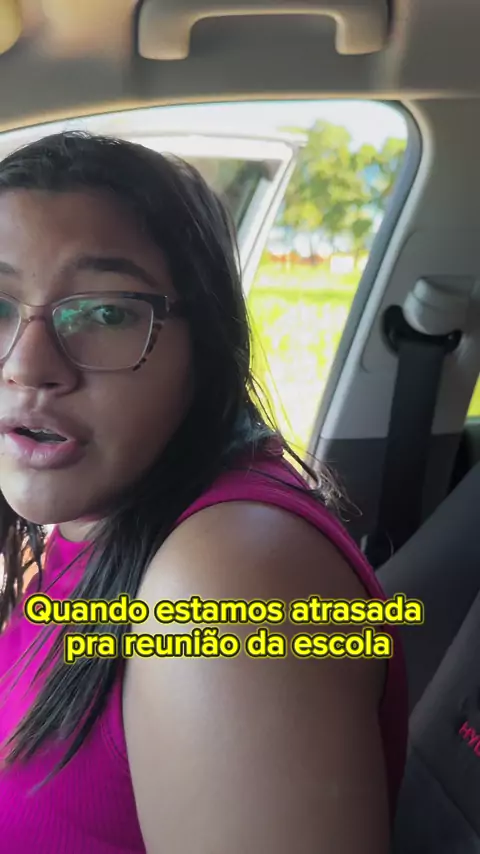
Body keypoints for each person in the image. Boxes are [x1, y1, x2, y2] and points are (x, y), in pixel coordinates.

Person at [0, 131, 407, 854]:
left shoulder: (229, 581)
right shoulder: (96, 523)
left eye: (107, 312)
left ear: (206, 345)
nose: (28, 367)